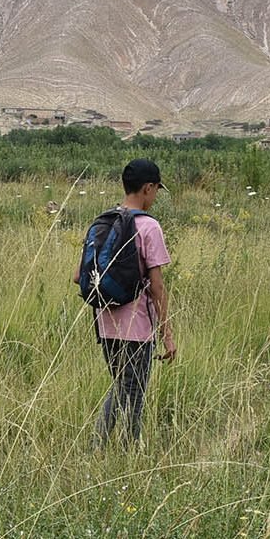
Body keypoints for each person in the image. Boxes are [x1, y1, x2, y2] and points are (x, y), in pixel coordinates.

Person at [75, 158, 177, 447]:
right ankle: (114, 446)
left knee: (123, 385)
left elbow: (77, 276)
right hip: (138, 327)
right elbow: (157, 287)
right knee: (130, 389)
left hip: (105, 324)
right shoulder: (149, 226)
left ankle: (122, 446)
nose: (155, 197)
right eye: (156, 190)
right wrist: (167, 334)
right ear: (147, 188)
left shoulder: (103, 222)